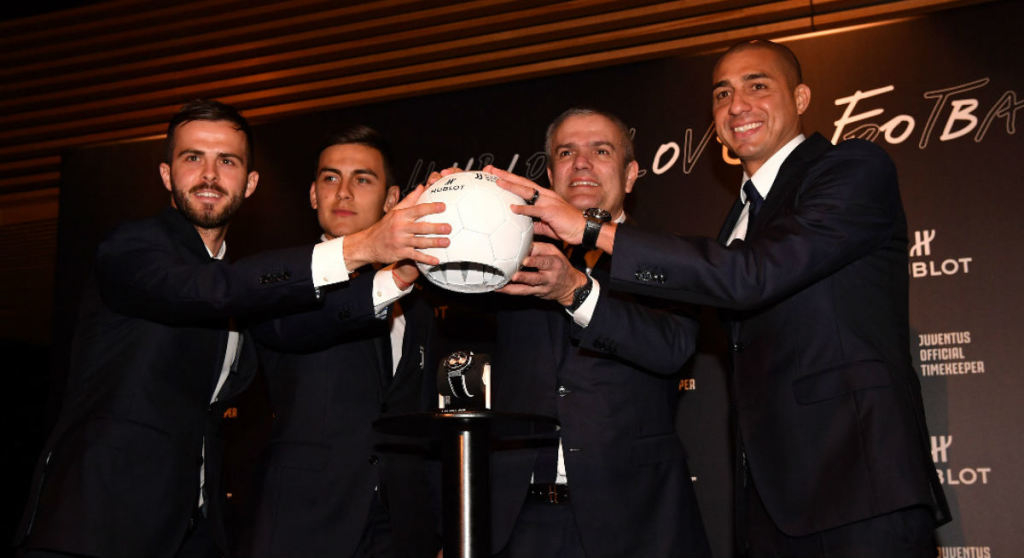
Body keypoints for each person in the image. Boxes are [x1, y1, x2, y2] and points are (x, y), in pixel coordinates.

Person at [496, 41, 950, 558]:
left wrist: (589, 230)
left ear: (801, 98)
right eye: (722, 94)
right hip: (773, 499)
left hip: (858, 485)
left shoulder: (852, 168)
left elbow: (750, 277)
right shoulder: (736, 218)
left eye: (758, 85)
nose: (737, 105)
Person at [15, 100, 448, 558]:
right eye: (192, 158)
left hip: (192, 530)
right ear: (166, 174)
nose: (209, 175)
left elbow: (298, 322)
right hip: (94, 524)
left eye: (227, 161)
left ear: (250, 182)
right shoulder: (132, 248)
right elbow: (206, 291)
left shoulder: (245, 286)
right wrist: (362, 246)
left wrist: (398, 277)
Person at [479, 107, 710, 558]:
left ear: (631, 175)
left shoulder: (665, 257)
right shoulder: (507, 254)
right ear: (550, 176)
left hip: (637, 522)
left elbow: (671, 347)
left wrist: (575, 291)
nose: (581, 163)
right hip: (518, 524)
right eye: (566, 153)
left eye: (601, 151)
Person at [244, 126, 440, 558]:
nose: (344, 192)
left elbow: (422, 428)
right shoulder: (283, 281)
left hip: (401, 528)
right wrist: (394, 279)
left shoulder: (419, 309)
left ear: (391, 199)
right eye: (330, 178)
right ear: (313, 194)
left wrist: (438, 530)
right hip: (305, 522)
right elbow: (299, 325)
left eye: (362, 179)